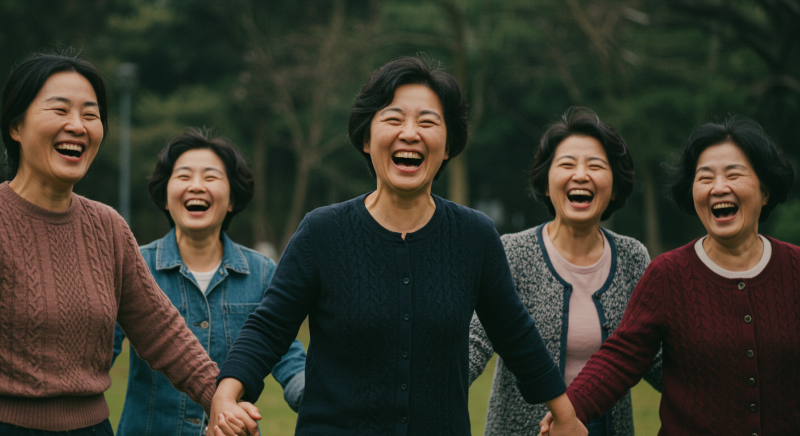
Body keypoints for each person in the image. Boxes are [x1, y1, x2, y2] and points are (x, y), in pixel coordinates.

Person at [206, 56, 588, 436]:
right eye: (393, 119)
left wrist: (566, 416)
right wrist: (226, 396)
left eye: (427, 122)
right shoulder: (322, 232)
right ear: (366, 138)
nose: (410, 133)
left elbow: (515, 334)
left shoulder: (475, 236)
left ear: (449, 145)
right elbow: (269, 327)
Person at [0, 53, 256, 436]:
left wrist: (219, 398)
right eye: (60, 110)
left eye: (90, 115)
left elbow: (163, 331)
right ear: (15, 125)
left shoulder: (108, 228)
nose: (78, 126)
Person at [539, 117, 800, 435]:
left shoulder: (795, 268)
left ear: (765, 191)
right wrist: (570, 412)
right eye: (705, 178)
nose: (719, 187)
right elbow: (620, 358)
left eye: (734, 174)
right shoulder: (668, 275)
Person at [469, 108, 662, 436]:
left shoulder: (633, 257)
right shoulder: (512, 252)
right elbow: (474, 342)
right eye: (567, 164)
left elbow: (655, 357)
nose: (581, 175)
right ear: (545, 183)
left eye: (596, 166)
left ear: (615, 187)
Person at [111, 129, 307, 436]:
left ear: (232, 199)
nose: (197, 186)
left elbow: (287, 354)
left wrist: (318, 398)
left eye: (211, 177)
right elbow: (97, 353)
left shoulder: (262, 271)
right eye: (184, 176)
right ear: (165, 196)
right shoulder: (135, 264)